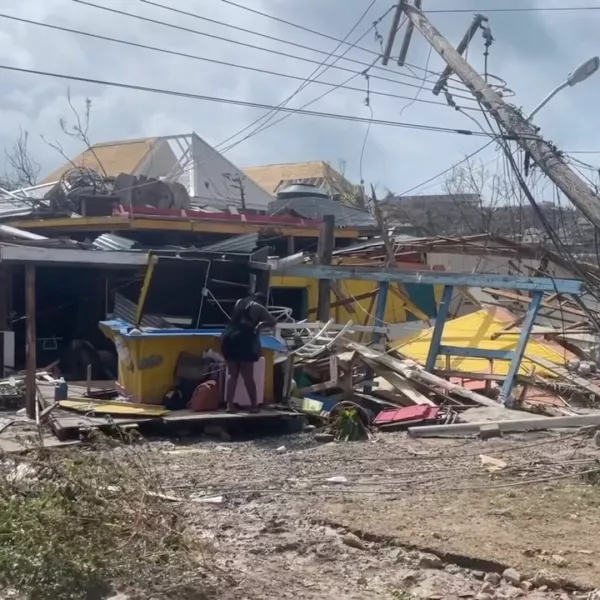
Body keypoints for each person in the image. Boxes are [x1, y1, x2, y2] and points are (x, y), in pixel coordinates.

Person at [220, 292, 277, 413]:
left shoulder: (239, 301)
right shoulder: (259, 307)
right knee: (248, 377)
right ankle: (254, 406)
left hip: (228, 336)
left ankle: (229, 406)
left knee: (232, 374)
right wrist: (261, 324)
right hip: (243, 339)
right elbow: (273, 322)